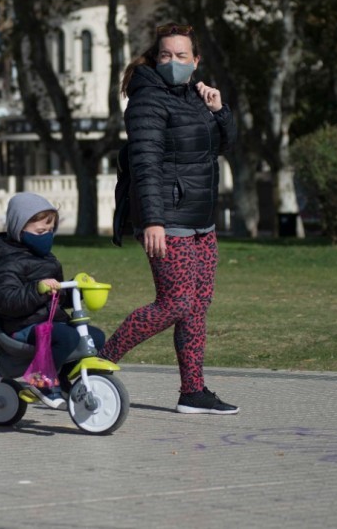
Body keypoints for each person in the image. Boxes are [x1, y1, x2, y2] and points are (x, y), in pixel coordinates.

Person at [102, 22, 239, 415]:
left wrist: (220, 110)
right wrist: (153, 221)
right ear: (155, 58)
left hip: (201, 218)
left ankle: (192, 391)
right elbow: (145, 164)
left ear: (195, 61)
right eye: (166, 55)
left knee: (198, 304)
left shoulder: (198, 96)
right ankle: (94, 360)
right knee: (176, 302)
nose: (174, 62)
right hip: (168, 218)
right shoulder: (147, 99)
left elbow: (224, 146)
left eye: (182, 56)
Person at [0, 192, 106, 409]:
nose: (47, 236)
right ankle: (41, 382)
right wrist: (37, 289)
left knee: (94, 336)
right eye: (40, 231)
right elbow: (5, 301)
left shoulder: (47, 259)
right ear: (19, 230)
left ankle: (62, 378)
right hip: (21, 325)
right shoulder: (5, 260)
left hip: (48, 322)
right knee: (67, 337)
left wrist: (77, 288)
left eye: (50, 231)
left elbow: (56, 297)